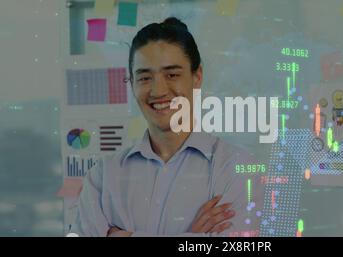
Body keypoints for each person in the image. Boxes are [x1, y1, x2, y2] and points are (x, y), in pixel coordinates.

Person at [72, 17, 263, 237]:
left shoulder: (237, 169)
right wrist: (193, 237)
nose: (158, 91)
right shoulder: (103, 176)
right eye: (144, 77)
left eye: (172, 75)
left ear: (197, 76)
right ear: (132, 83)